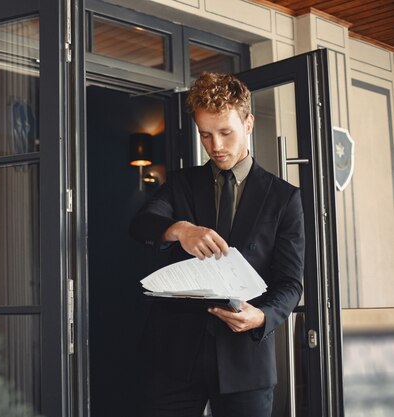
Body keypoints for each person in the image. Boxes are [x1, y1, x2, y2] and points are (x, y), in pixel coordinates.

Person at [129, 72, 305, 417]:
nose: (216, 146)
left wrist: (261, 316)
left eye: (226, 132)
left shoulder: (284, 198)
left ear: (248, 123)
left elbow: (290, 282)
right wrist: (179, 229)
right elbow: (141, 225)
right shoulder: (181, 183)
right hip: (174, 358)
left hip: (245, 362)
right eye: (206, 134)